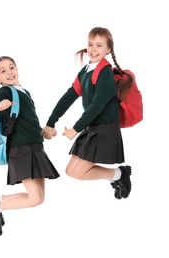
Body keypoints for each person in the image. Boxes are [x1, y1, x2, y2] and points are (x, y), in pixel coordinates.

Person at [42, 27, 132, 200]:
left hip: (105, 129)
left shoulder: (104, 72)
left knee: (79, 172)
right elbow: (68, 97)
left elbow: (96, 106)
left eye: (99, 45)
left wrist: (75, 129)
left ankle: (119, 174)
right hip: (93, 127)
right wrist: (50, 122)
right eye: (90, 44)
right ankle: (118, 174)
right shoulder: (86, 71)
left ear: (108, 49)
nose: (93, 49)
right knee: (71, 171)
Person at [0, 56, 60, 236]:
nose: (9, 72)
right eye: (3, 71)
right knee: (34, 198)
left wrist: (43, 131)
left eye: (11, 67)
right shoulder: (5, 92)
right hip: (21, 149)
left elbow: (26, 121)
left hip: (35, 147)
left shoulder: (23, 91)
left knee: (39, 198)